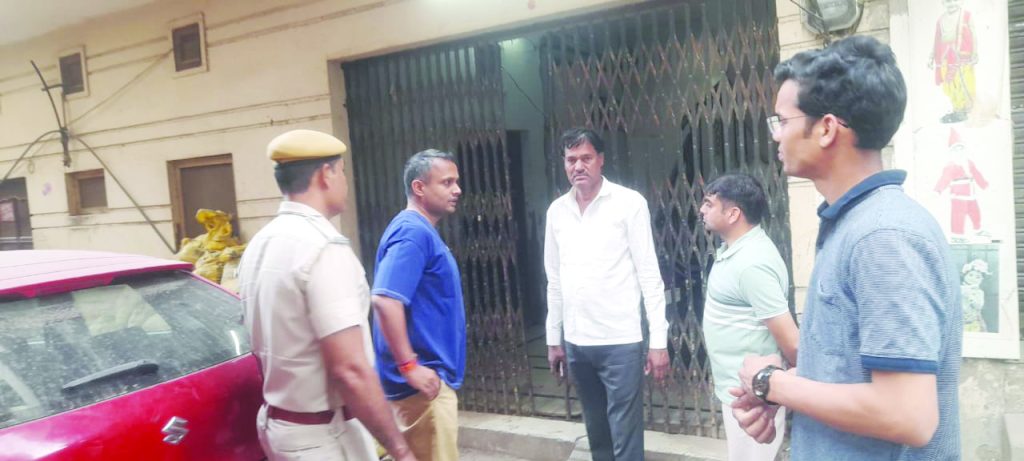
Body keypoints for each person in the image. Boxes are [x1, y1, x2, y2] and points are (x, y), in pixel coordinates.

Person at [730, 35, 962, 461]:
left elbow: (908, 415)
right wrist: (788, 388)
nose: (776, 135)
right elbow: (852, 369)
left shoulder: (883, 236)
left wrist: (771, 383)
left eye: (782, 120)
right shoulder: (855, 224)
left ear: (826, 128)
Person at [238, 129, 414, 461]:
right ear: (326, 175)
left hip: (282, 426)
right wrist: (400, 449)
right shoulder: (322, 248)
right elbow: (350, 369)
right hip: (324, 437)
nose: (345, 181)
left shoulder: (261, 243)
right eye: (342, 171)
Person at [544, 128, 669, 460]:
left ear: (600, 160)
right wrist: (554, 338)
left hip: (620, 342)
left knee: (625, 437)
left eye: (586, 158)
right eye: (571, 159)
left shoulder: (629, 204)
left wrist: (658, 341)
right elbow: (554, 280)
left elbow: (649, 276)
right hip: (577, 342)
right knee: (597, 434)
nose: (578, 166)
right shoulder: (557, 211)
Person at [371, 149, 466, 461]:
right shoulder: (412, 233)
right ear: (419, 187)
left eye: (456, 181)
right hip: (422, 390)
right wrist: (409, 366)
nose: (457, 189)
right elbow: (385, 300)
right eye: (447, 182)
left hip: (424, 385)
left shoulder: (419, 231)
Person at [698, 173, 798, 461]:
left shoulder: (752, 263)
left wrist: (788, 389)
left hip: (752, 397)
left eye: (709, 204)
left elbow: (792, 342)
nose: (701, 210)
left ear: (733, 214)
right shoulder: (735, 251)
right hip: (740, 389)